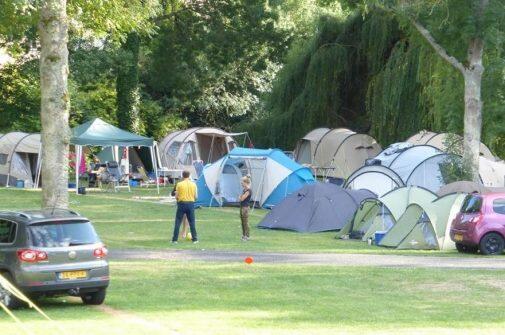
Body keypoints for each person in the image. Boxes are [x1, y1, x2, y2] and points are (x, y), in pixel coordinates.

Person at [172, 170, 198, 244]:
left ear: (182, 176)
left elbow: (176, 196)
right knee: (192, 222)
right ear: (189, 175)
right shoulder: (194, 184)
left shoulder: (179, 184)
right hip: (191, 204)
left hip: (182, 203)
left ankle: (175, 239)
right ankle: (195, 239)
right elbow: (196, 196)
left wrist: (178, 199)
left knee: (178, 221)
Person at [238, 176, 252, 241]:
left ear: (246, 182)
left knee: (245, 222)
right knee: (242, 222)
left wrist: (240, 197)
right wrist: (240, 198)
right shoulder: (244, 190)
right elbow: (241, 198)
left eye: (242, 182)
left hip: (245, 208)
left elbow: (242, 198)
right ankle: (243, 235)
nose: (241, 183)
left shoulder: (248, 191)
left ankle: (247, 236)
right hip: (242, 207)